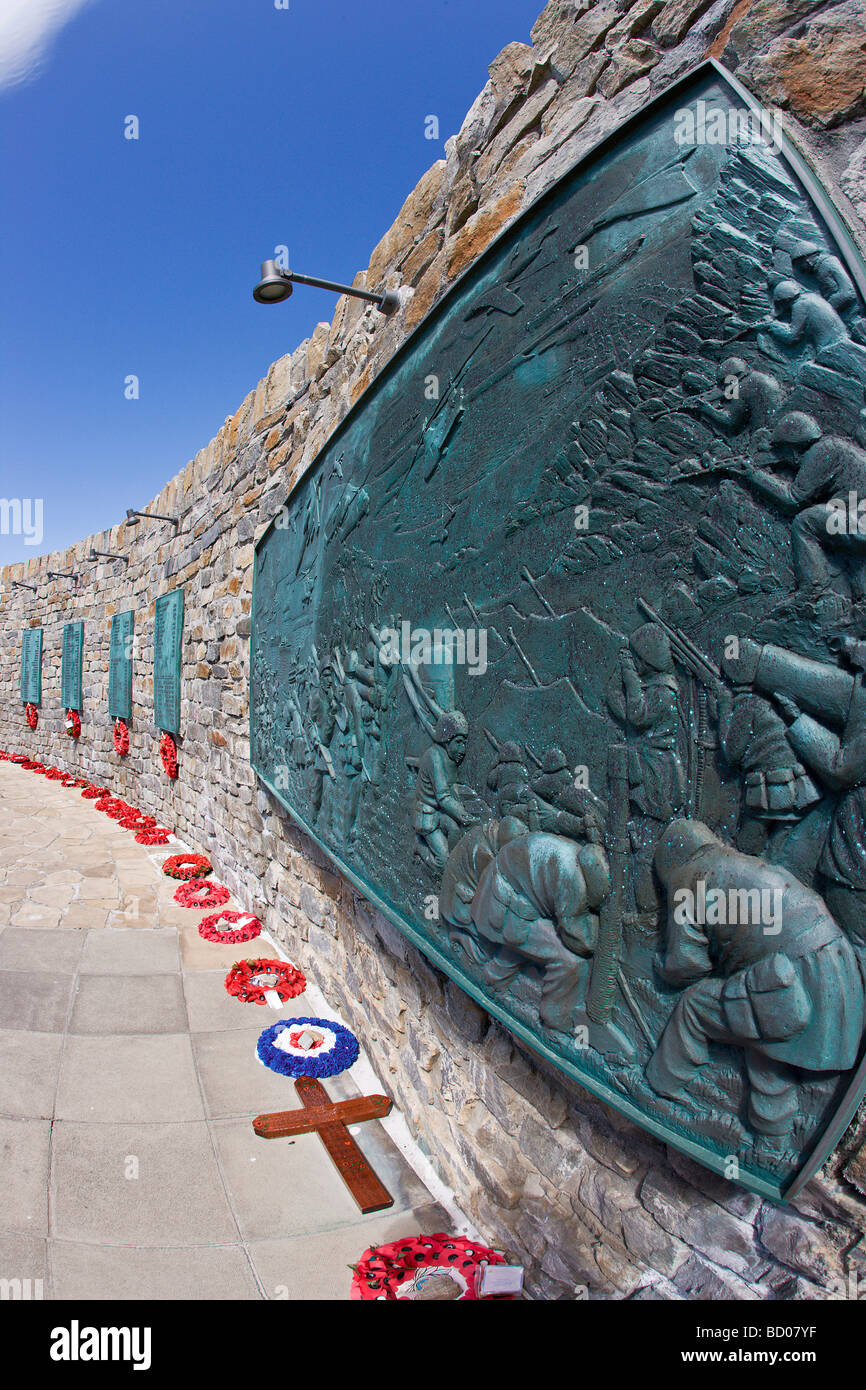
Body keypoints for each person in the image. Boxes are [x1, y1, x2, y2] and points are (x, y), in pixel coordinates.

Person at [645, 820, 865, 1137]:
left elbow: (687, 965)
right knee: (758, 1023)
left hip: (794, 976)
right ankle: (771, 1140)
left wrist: (661, 965)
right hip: (837, 971)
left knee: (697, 1006)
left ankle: (661, 1085)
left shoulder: (687, 878)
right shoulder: (736, 864)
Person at [470, 829, 610, 1033]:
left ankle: (494, 977)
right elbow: (579, 941)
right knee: (571, 962)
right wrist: (601, 935)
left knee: (535, 939)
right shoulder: (575, 885)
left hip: (507, 892)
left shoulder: (576, 854)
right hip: (506, 905)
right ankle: (555, 1021)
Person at [741, 412, 866, 600]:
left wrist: (753, 475)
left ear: (792, 447)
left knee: (805, 522)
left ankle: (813, 590)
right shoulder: (836, 446)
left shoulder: (822, 451)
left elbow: (793, 499)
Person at [413, 711, 474, 869]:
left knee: (454, 831)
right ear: (447, 741)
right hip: (426, 815)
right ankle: (421, 850)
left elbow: (452, 789)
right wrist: (463, 815)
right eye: (458, 742)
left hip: (439, 813)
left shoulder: (449, 759)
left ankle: (454, 867)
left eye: (464, 743)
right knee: (443, 862)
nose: (463, 749)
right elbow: (443, 796)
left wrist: (463, 811)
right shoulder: (435, 758)